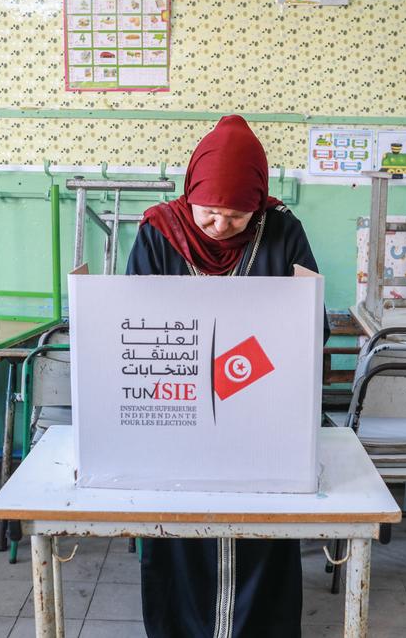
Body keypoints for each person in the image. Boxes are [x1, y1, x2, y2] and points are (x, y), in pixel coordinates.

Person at [127, 114, 329, 638]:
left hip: (261, 417)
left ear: (257, 204)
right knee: (179, 534)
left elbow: (313, 324)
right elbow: (131, 327)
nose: (219, 227)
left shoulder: (283, 230)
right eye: (210, 213)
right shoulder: (159, 233)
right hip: (175, 417)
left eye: (236, 217)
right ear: (190, 191)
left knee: (262, 535)